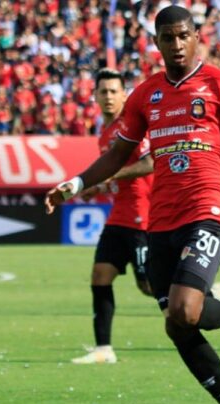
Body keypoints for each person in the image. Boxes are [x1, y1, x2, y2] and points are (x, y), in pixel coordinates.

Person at [46, 5, 220, 404]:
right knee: (176, 325)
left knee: (184, 310)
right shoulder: (145, 95)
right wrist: (77, 183)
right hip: (160, 220)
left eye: (183, 36)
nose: (176, 45)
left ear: (196, 36)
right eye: (167, 38)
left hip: (207, 210)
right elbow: (118, 154)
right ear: (156, 42)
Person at [69, 69, 154, 365]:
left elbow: (150, 162)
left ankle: (209, 295)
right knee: (100, 275)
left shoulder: (131, 125)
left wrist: (111, 175)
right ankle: (103, 349)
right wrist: (96, 186)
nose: (108, 96)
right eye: (103, 91)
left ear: (124, 95)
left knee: (149, 287)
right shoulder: (104, 132)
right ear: (95, 96)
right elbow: (113, 175)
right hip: (119, 215)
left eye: (113, 91)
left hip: (143, 216)